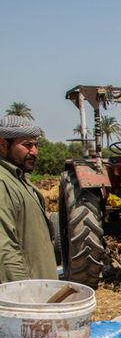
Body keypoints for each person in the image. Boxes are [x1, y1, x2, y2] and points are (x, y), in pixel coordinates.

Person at [0, 115, 57, 283]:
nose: (34, 151)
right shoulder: (3, 183)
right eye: (27, 145)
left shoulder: (19, 180)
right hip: (27, 296)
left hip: (39, 291)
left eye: (36, 145)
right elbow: (5, 249)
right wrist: (24, 293)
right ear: (3, 145)